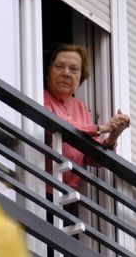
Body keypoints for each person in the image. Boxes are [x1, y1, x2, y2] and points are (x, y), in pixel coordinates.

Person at [42, 43, 129, 191]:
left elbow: (92, 157)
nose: (66, 73)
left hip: (68, 195)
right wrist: (101, 128)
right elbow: (57, 125)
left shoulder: (80, 107)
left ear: (81, 77)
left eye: (74, 69)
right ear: (48, 70)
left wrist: (113, 136)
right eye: (59, 66)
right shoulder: (40, 95)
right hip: (39, 188)